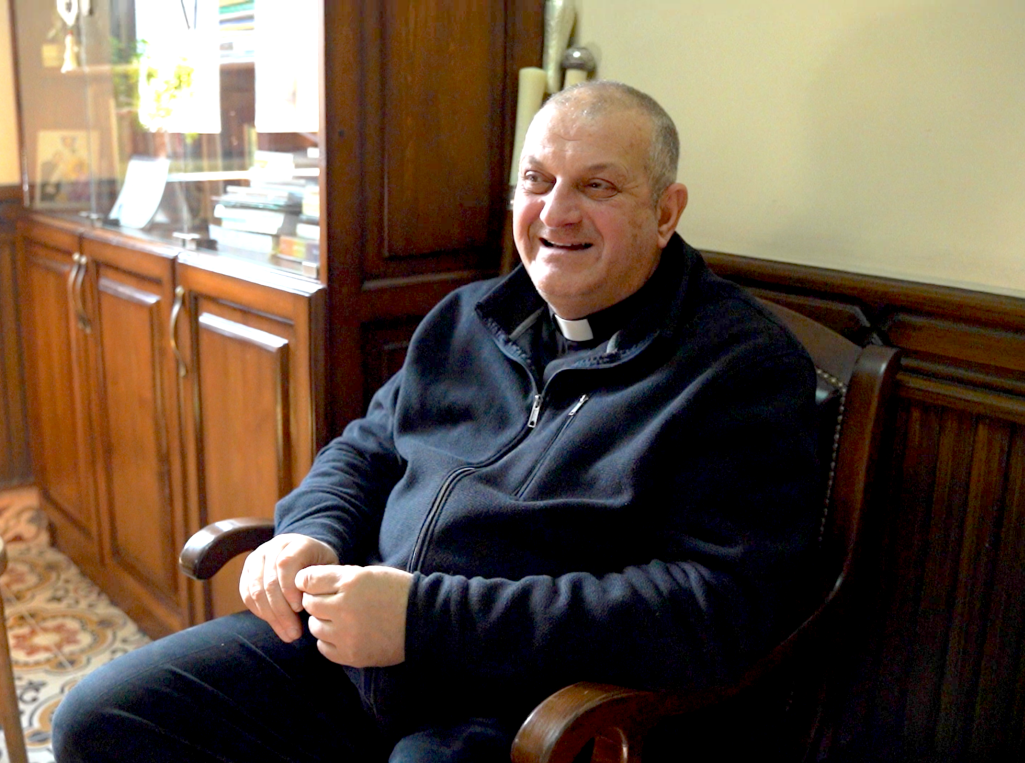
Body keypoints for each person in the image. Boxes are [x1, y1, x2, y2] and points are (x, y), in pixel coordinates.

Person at [52, 80, 818, 762]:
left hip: (515, 702)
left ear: (665, 212)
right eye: (537, 180)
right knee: (102, 716)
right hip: (351, 650)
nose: (555, 211)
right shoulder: (469, 317)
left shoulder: (739, 367)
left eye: (597, 185)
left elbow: (709, 606)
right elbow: (368, 445)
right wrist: (310, 529)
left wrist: (424, 619)